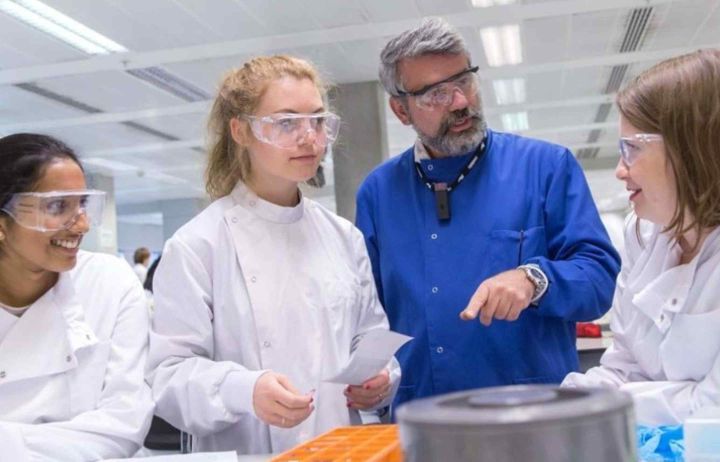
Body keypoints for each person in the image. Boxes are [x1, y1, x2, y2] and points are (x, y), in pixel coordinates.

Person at [355, 17, 621, 407]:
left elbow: (598, 278)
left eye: (464, 81)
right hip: (423, 417)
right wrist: (371, 376)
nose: (460, 102)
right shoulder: (378, 193)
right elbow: (366, 312)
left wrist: (535, 279)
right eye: (435, 94)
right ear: (401, 110)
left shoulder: (545, 167)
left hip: (533, 412)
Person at [146, 55, 400, 454]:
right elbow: (167, 378)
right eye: (286, 123)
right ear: (241, 131)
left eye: (317, 121)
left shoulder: (343, 237)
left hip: (339, 446)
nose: (309, 138)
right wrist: (244, 390)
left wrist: (382, 379)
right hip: (248, 448)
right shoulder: (199, 245)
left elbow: (369, 336)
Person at [562, 49, 720, 425]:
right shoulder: (643, 234)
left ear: (689, 148)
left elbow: (712, 409)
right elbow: (624, 367)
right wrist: (560, 402)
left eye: (631, 149)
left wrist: (606, 405)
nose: (620, 170)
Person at [0, 134, 153, 460]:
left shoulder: (109, 282)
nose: (81, 224)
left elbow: (124, 424)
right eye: (57, 206)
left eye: (82, 204)